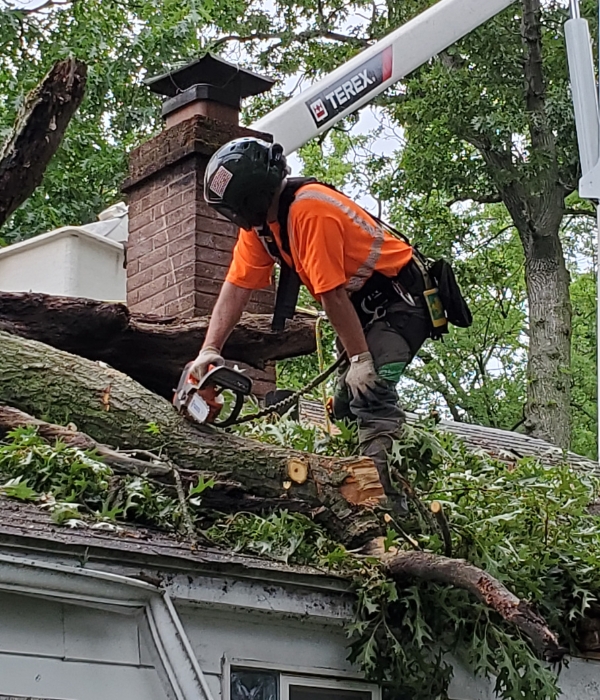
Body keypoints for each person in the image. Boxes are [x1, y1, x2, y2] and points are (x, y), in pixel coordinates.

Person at [190, 137, 438, 514]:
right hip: (362, 310)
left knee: (372, 395)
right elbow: (236, 287)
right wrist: (210, 349)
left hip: (401, 303)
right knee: (343, 408)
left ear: (249, 199)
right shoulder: (264, 228)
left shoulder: (309, 211)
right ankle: (362, 476)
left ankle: (381, 506)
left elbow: (332, 296)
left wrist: (360, 360)